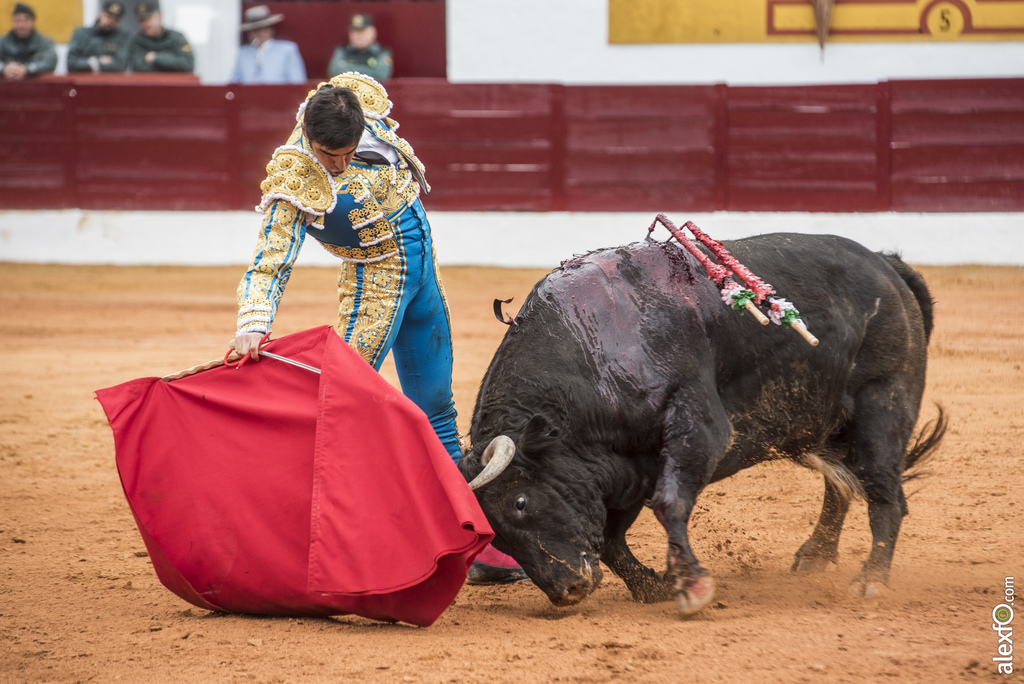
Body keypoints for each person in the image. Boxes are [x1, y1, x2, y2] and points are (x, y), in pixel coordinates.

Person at [230, 73, 526, 585]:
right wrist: (254, 323)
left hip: (424, 282)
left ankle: (471, 542)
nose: (338, 164)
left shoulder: (356, 106)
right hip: (375, 293)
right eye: (329, 155)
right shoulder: (295, 176)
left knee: (437, 408)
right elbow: (270, 261)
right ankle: (314, 543)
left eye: (345, 153)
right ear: (307, 133)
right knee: (337, 412)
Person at [229, 4, 306, 85]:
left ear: (271, 29)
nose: (259, 33)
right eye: (255, 30)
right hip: (249, 96)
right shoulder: (243, 53)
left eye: (263, 28)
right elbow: (234, 83)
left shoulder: (287, 50)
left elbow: (298, 82)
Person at [128, 1, 194, 73]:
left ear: (159, 17)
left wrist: (156, 57)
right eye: (142, 21)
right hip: (149, 82)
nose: (146, 24)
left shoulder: (176, 37)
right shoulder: (138, 40)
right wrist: (171, 60)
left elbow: (188, 64)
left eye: (149, 19)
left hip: (175, 82)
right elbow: (138, 67)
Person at [66, 0, 130, 73]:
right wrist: (97, 61)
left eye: (116, 19)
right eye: (108, 17)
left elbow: (120, 66)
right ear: (100, 14)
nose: (111, 22)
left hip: (110, 81)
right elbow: (71, 63)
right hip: (85, 81)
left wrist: (87, 62)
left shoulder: (122, 37)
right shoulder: (81, 34)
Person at [327, 13, 392, 82]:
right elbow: (335, 71)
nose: (359, 36)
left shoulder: (382, 52)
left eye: (363, 32)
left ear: (373, 33)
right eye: (354, 32)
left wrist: (348, 69)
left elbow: (381, 75)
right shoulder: (342, 51)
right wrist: (368, 71)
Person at [0, 3, 56, 80]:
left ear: (33, 22)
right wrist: (4, 68)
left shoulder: (45, 42)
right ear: (12, 22)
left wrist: (27, 69)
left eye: (26, 20)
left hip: (36, 86)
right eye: (17, 20)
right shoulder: (2, 42)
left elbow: (49, 62)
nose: (21, 25)